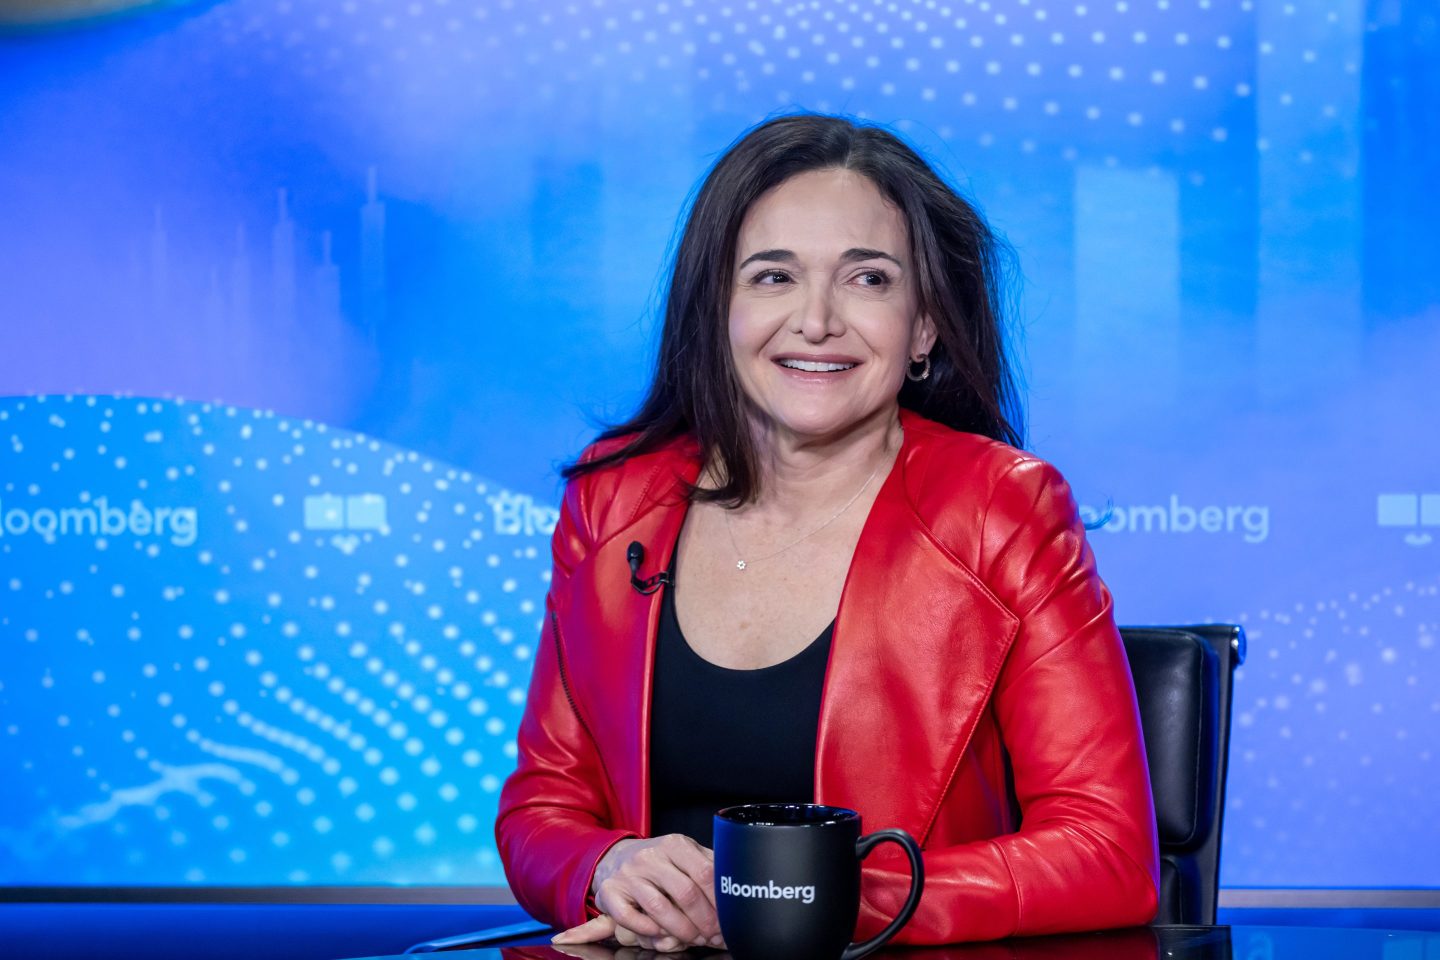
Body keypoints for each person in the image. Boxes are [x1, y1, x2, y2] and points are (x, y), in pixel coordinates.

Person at [495, 113, 1159, 951]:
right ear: (718, 310)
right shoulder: (612, 497)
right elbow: (543, 806)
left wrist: (804, 901)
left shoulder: (1003, 509)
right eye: (773, 277)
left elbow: (1107, 853)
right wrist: (605, 865)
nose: (816, 320)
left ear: (924, 326)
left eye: (868, 279)